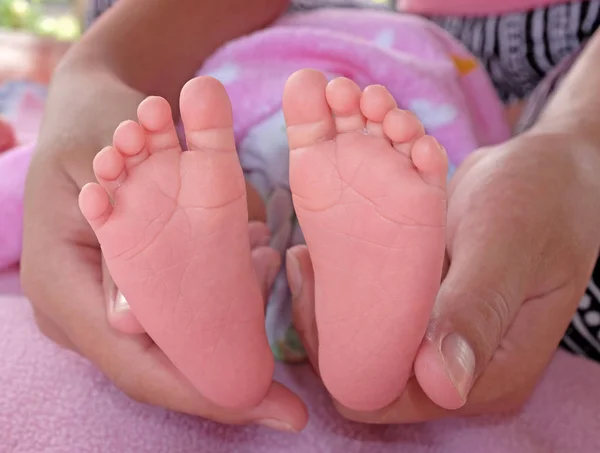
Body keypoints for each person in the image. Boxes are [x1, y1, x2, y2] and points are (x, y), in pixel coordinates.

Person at [20, 0, 600, 432]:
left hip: (244, 117)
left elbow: (18, 186)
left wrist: (581, 142)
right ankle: (358, 323)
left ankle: (244, 281)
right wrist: (89, 73)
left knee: (220, 185)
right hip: (435, 136)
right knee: (406, 211)